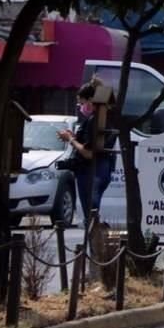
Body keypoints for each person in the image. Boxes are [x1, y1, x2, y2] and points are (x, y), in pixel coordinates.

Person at [57, 80, 116, 226]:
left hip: (90, 171)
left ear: (90, 100)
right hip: (103, 169)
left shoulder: (94, 120)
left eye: (81, 103)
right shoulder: (106, 118)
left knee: (90, 216)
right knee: (92, 214)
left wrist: (70, 139)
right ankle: (96, 244)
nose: (81, 107)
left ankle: (96, 246)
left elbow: (89, 153)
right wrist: (76, 137)